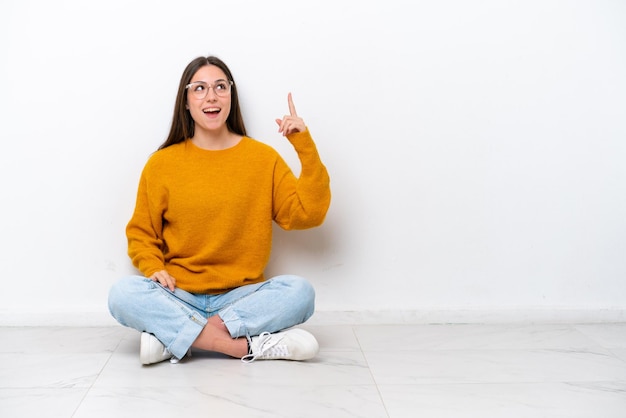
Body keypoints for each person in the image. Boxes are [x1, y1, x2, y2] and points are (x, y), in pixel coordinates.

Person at [107, 55, 331, 365]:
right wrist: (152, 265)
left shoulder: (262, 159)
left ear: (230, 95)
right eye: (199, 88)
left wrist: (304, 146)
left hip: (240, 299)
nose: (211, 96)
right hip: (179, 295)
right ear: (186, 101)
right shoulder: (162, 164)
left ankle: (177, 340)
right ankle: (240, 348)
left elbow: (309, 214)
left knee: (300, 292)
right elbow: (141, 232)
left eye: (220, 87)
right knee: (122, 294)